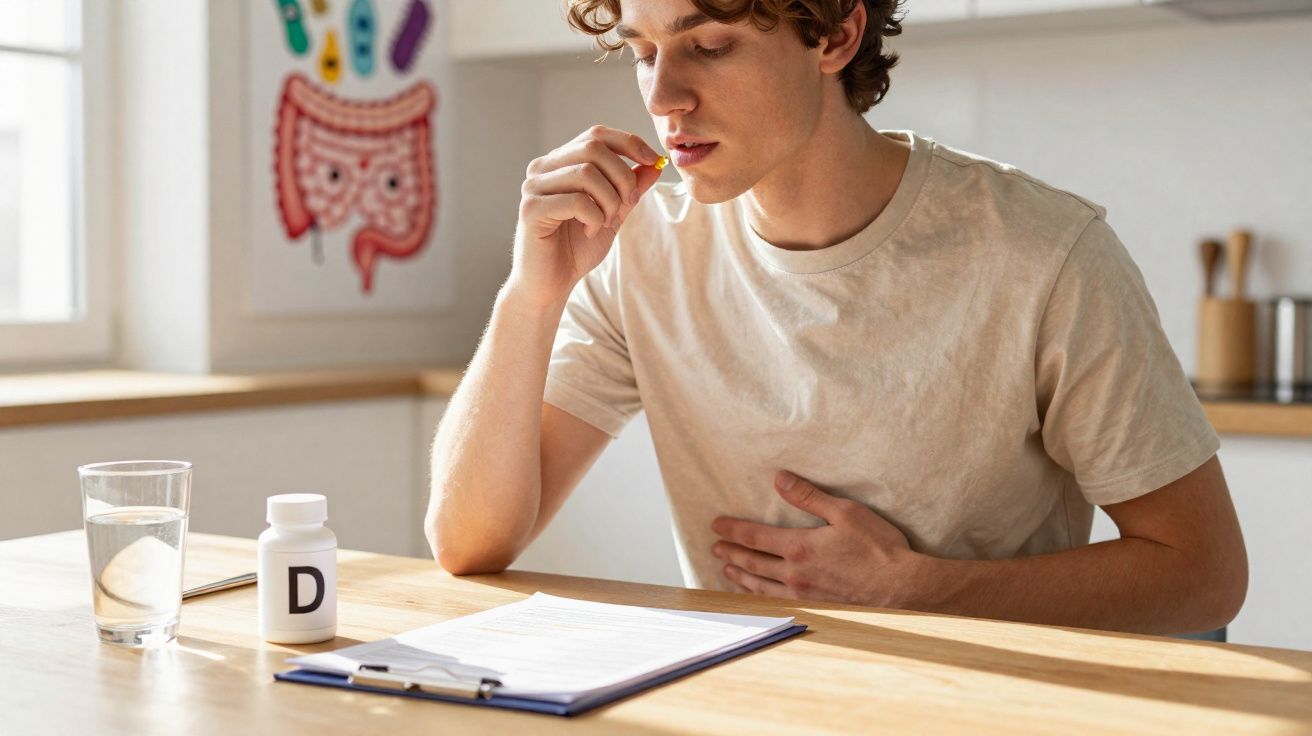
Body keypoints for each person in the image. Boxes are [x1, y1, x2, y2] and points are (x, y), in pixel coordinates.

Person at [425, 0, 1247, 635]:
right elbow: (468, 543)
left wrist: (923, 590)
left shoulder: (1045, 252)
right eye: (644, 53)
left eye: (709, 45)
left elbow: (1204, 574)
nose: (664, 96)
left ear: (835, 36)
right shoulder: (641, 251)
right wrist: (530, 294)